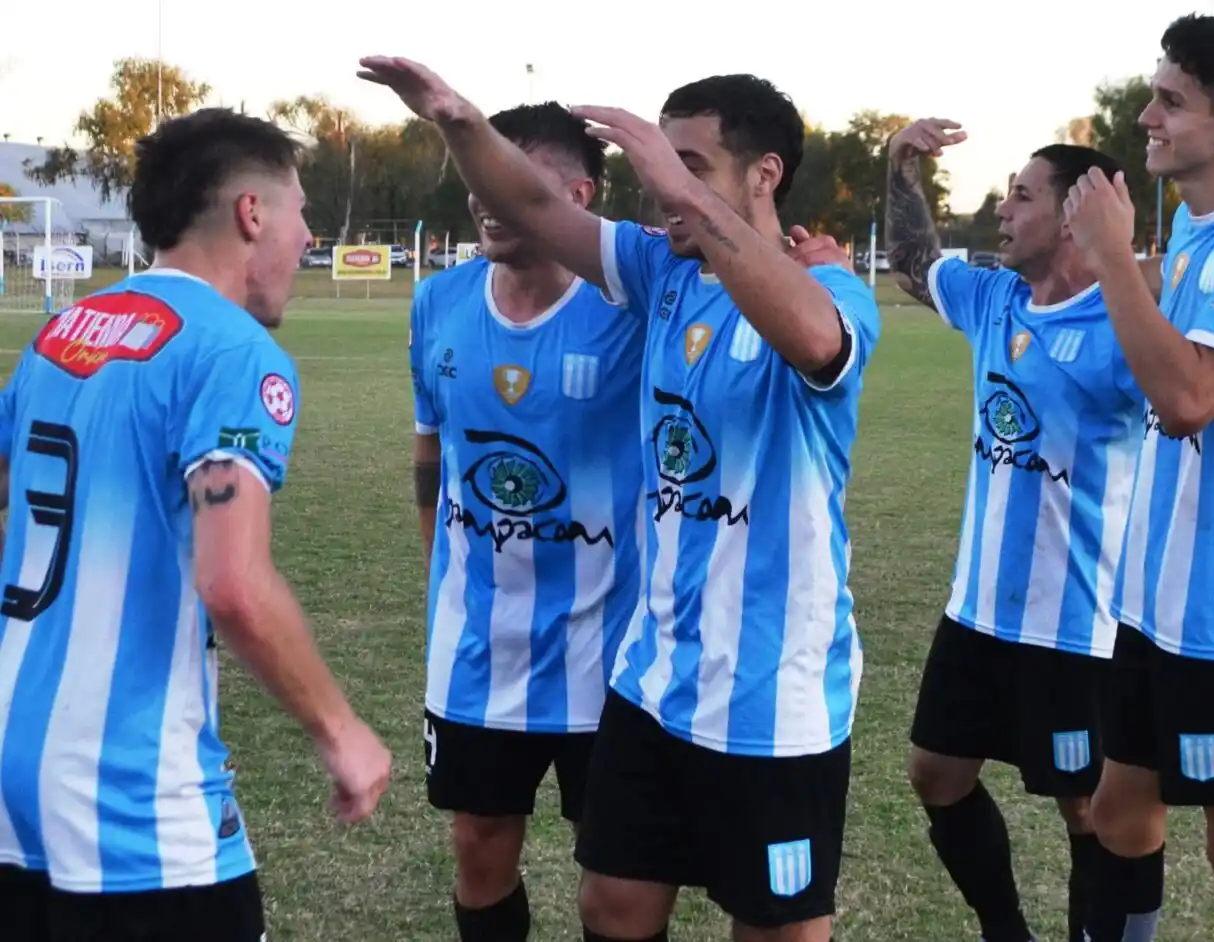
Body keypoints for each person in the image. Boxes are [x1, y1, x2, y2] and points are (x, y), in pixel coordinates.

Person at [363, 58, 879, 942]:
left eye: (691, 167)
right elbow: (534, 209)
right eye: (659, 170)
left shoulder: (830, 292)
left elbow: (813, 339)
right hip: (649, 687)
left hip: (770, 696)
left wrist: (688, 199)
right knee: (613, 906)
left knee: (777, 931)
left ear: (765, 176)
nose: (662, 193)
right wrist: (458, 120)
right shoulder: (660, 273)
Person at [0, 107, 391, 942]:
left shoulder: (62, 333)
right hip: (129, 789)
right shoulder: (230, 351)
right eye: (300, 210)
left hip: (12, 765)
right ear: (253, 214)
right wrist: (343, 731)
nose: (309, 234)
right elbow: (234, 583)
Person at [887, 125, 1154, 942]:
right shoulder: (994, 295)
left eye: (1021, 194)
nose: (1001, 208)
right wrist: (899, 166)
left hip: (1078, 626)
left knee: (1088, 806)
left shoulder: (1126, 327)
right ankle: (1008, 931)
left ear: (1073, 219)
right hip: (976, 611)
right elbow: (912, 262)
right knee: (935, 773)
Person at [1059, 13, 1214, 942]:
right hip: (1151, 601)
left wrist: (1109, 256)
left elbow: (1191, 396)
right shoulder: (1195, 227)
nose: (1146, 116)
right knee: (1119, 812)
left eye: (1169, 101)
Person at [410, 101, 644, 942]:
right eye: (480, 179)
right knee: (478, 849)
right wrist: (442, 563)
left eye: (515, 181)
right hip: (478, 651)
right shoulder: (438, 302)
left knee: (617, 882)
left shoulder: (631, 308)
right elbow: (430, 452)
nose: (488, 199)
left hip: (609, 653)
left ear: (577, 196)